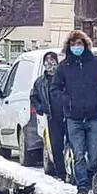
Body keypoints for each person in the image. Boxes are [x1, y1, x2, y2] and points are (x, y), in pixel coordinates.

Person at [53, 30, 97, 194]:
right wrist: (66, 101)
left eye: (79, 44)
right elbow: (55, 89)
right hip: (73, 117)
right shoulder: (64, 67)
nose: (76, 47)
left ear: (85, 45)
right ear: (68, 46)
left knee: (94, 156)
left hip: (94, 116)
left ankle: (88, 176)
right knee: (78, 154)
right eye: (73, 44)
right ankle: (82, 186)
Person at [30, 51, 69, 181]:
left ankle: (74, 173)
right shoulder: (40, 82)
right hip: (53, 118)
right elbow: (34, 97)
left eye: (52, 60)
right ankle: (61, 174)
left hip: (69, 116)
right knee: (56, 146)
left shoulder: (64, 78)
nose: (50, 63)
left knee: (73, 145)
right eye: (47, 61)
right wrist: (41, 109)